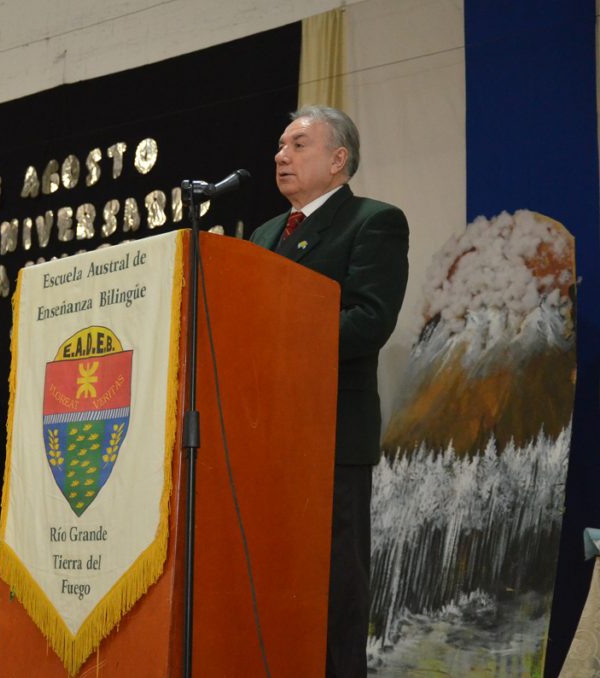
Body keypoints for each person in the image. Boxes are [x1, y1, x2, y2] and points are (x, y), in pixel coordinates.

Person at [249, 105, 409, 677]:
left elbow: (369, 319)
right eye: (279, 146)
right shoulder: (264, 234)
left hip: (332, 434)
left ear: (339, 160)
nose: (280, 156)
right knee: (275, 578)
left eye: (297, 145)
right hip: (263, 434)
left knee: (335, 584)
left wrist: (276, 345)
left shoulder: (373, 221)